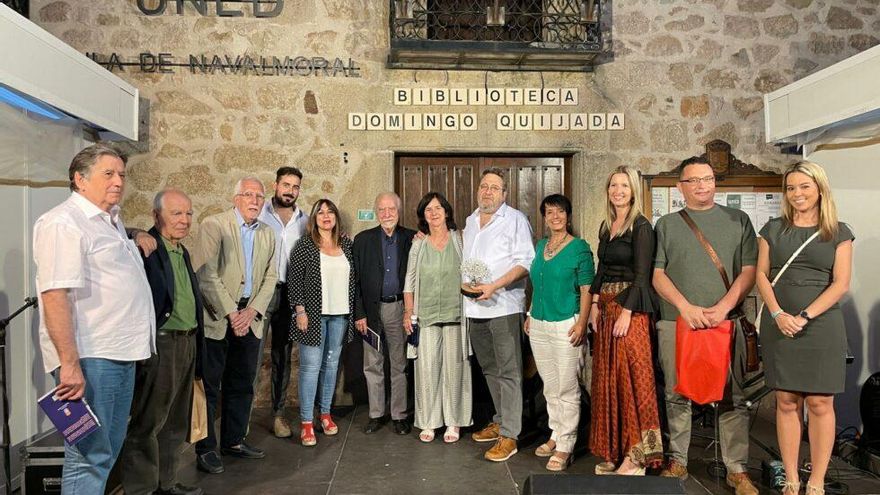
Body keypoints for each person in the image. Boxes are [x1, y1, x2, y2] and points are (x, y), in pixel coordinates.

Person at [33, 143, 156, 493]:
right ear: (80, 179)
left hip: (119, 353)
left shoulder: (110, 221)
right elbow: (55, 294)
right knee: (89, 455)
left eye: (121, 174)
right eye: (108, 174)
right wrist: (69, 364)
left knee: (107, 452)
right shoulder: (63, 223)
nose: (118, 181)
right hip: (91, 357)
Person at [653, 157, 759, 495]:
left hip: (725, 321)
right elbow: (657, 273)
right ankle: (677, 458)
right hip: (676, 321)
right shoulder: (667, 224)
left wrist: (723, 307)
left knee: (733, 395)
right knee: (676, 392)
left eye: (709, 179)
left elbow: (748, 270)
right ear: (680, 187)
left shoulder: (738, 219)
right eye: (694, 180)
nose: (703, 186)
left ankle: (737, 468)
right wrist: (684, 307)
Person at [756, 162, 853, 495]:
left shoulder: (839, 232)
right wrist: (779, 313)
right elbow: (762, 277)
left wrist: (805, 316)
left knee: (820, 403)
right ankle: (792, 478)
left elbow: (840, 284)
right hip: (780, 323)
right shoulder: (771, 229)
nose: (797, 194)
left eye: (804, 187)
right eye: (791, 188)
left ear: (820, 189)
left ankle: (815, 481)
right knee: (785, 400)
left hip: (822, 325)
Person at [117, 188, 205, 495]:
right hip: (162, 345)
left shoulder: (182, 250)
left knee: (176, 423)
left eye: (188, 213)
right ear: (157, 216)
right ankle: (141, 489)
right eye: (176, 213)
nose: (184, 220)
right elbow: (117, 234)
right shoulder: (146, 248)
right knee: (148, 422)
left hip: (188, 343)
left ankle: (166, 484)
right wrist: (137, 232)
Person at [194, 177, 278, 474]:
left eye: (259, 196)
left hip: (251, 318)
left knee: (242, 383)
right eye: (248, 194)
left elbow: (271, 277)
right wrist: (232, 313)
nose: (254, 200)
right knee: (210, 387)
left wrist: (252, 311)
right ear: (235, 198)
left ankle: (233, 440)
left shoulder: (269, 233)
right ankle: (205, 448)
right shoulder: (213, 225)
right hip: (219, 317)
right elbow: (206, 274)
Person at [587, 167, 662, 476]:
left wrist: (628, 312)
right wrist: (593, 304)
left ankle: (637, 456)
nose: (617, 190)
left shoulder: (641, 227)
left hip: (629, 310)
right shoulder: (608, 226)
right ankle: (613, 450)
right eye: (613, 185)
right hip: (605, 309)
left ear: (633, 191)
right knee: (608, 381)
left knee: (634, 382)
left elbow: (643, 276)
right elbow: (601, 268)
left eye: (624, 186)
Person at [463, 167, 535, 462]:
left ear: (504, 194)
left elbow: (526, 263)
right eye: (484, 186)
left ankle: (510, 435)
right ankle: (500, 419)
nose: (488, 191)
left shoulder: (515, 220)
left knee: (509, 371)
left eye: (494, 187)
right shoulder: (469, 221)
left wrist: (495, 285)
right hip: (474, 307)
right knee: (490, 369)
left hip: (504, 306)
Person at [524, 194, 594, 471]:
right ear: (544, 216)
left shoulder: (580, 248)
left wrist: (582, 323)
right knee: (550, 386)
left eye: (560, 211)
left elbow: (588, 288)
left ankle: (566, 444)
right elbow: (537, 285)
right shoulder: (541, 245)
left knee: (567, 387)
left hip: (567, 322)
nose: (555, 216)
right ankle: (555, 433)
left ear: (568, 215)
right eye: (550, 212)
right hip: (539, 324)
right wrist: (530, 313)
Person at [403, 192, 472, 443]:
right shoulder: (418, 244)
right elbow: (409, 282)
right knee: (427, 369)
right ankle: (430, 422)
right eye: (428, 210)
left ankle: (454, 422)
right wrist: (408, 312)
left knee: (456, 368)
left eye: (438, 208)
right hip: (426, 315)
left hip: (456, 313)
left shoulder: (460, 239)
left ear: (446, 211)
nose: (433, 213)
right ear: (423, 215)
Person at [288, 199, 357, 446]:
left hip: (340, 315)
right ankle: (307, 422)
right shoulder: (305, 245)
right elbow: (294, 280)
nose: (326, 216)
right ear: (314, 218)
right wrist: (300, 311)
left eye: (330, 212)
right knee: (309, 368)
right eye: (321, 212)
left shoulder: (346, 245)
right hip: (313, 316)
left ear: (336, 217)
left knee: (331, 367)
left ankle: (324, 414)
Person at [353, 192, 415, 435]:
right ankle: (376, 414)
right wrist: (359, 313)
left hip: (399, 309)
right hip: (370, 311)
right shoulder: (362, 240)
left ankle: (399, 415)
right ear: (376, 212)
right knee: (372, 363)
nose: (387, 214)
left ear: (399, 211)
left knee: (399, 364)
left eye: (391, 209)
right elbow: (354, 281)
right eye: (382, 209)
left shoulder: (412, 238)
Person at [258, 166, 309, 438]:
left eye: (296, 187)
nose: (290, 191)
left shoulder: (304, 220)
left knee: (282, 356)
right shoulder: (260, 214)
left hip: (291, 294)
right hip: (262, 292)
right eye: (286, 185)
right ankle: (239, 419)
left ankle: (278, 415)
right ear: (275, 185)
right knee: (252, 356)